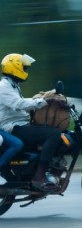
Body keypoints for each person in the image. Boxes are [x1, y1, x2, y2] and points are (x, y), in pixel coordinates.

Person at [0, 54, 66, 190]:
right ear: (15, 68)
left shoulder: (12, 85)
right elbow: (19, 103)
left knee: (50, 129)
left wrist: (46, 98)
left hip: (20, 124)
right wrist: (46, 101)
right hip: (13, 128)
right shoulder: (3, 86)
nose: (26, 71)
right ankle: (38, 177)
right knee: (53, 134)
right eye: (24, 68)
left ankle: (49, 169)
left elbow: (21, 104)